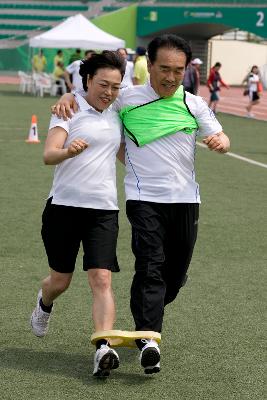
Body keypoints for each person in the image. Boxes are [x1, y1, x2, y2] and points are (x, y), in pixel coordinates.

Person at [52, 34, 230, 375]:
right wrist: (66, 96)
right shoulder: (127, 98)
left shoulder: (193, 104)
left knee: (173, 278)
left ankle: (150, 314)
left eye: (179, 70)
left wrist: (220, 141)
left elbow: (220, 135)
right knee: (150, 264)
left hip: (186, 201)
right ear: (149, 66)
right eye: (164, 69)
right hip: (143, 198)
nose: (171, 77)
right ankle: (149, 339)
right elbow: (93, 96)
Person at [30, 51, 126, 378]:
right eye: (103, 84)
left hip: (104, 211)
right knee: (60, 280)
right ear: (87, 80)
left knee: (101, 278)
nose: (109, 92)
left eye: (115, 86)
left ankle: (103, 348)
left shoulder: (118, 113)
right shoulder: (68, 110)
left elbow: (127, 155)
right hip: (64, 209)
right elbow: (48, 155)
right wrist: (67, 150)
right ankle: (44, 303)